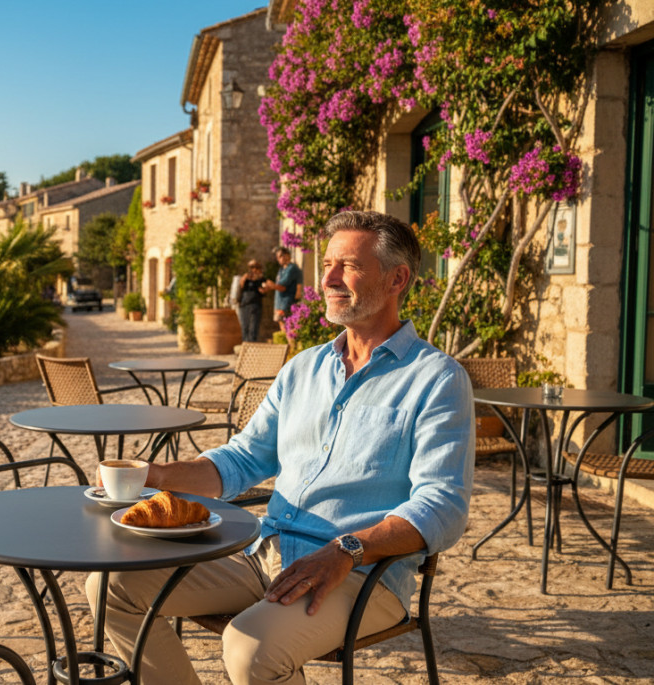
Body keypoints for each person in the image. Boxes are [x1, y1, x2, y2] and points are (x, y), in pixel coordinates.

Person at [86, 210, 474, 685]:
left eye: (348, 266)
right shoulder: (303, 370)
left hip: (362, 574)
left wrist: (345, 549)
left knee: (249, 649)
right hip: (264, 556)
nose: (328, 278)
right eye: (326, 264)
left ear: (397, 278)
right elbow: (243, 460)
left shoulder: (436, 379)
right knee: (111, 585)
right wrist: (157, 476)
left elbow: (443, 507)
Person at [263, 246, 303, 335]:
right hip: (280, 303)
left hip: (286, 303)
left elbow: (282, 286)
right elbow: (277, 285)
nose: (279, 259)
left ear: (287, 255)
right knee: (282, 327)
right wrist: (268, 287)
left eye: (281, 255)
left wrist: (271, 285)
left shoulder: (292, 268)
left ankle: (291, 347)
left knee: (289, 328)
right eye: (277, 257)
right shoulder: (282, 269)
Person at [236, 260, 267, 342]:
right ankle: (245, 347)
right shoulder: (246, 278)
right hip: (244, 305)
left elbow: (264, 290)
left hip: (256, 306)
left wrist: (260, 283)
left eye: (256, 267)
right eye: (252, 267)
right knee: (244, 327)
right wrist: (244, 279)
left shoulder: (261, 279)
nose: (254, 269)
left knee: (253, 328)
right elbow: (240, 287)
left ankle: (252, 346)